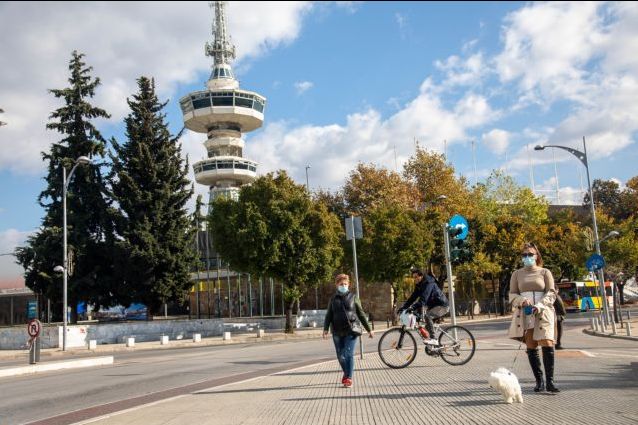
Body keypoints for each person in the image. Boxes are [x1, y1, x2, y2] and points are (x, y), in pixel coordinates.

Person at [508, 242, 560, 393]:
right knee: (531, 345)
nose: (527, 257)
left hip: (543, 311)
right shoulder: (517, 274)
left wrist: (540, 305)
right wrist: (522, 301)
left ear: (536, 256)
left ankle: (550, 382)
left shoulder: (545, 272)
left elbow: (551, 292)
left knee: (547, 342)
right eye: (524, 255)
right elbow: (512, 294)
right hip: (526, 312)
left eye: (530, 254)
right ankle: (539, 381)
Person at [323, 274, 373, 388]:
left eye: (345, 284)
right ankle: (346, 374)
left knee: (348, 354)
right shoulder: (333, 298)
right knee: (340, 356)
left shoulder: (354, 297)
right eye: (341, 284)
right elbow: (329, 315)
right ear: (336, 285)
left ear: (348, 284)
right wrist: (325, 329)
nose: (343, 286)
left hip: (351, 330)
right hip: (336, 331)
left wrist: (369, 329)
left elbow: (361, 314)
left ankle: (349, 378)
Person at [399, 268, 449, 344]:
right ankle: (434, 347)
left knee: (427, 316)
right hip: (433, 306)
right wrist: (404, 307)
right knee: (426, 325)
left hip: (442, 305)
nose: (414, 279)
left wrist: (412, 307)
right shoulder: (419, 285)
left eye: (416, 277)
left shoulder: (429, 283)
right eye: (413, 277)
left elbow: (423, 299)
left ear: (421, 276)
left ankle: (434, 339)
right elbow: (413, 297)